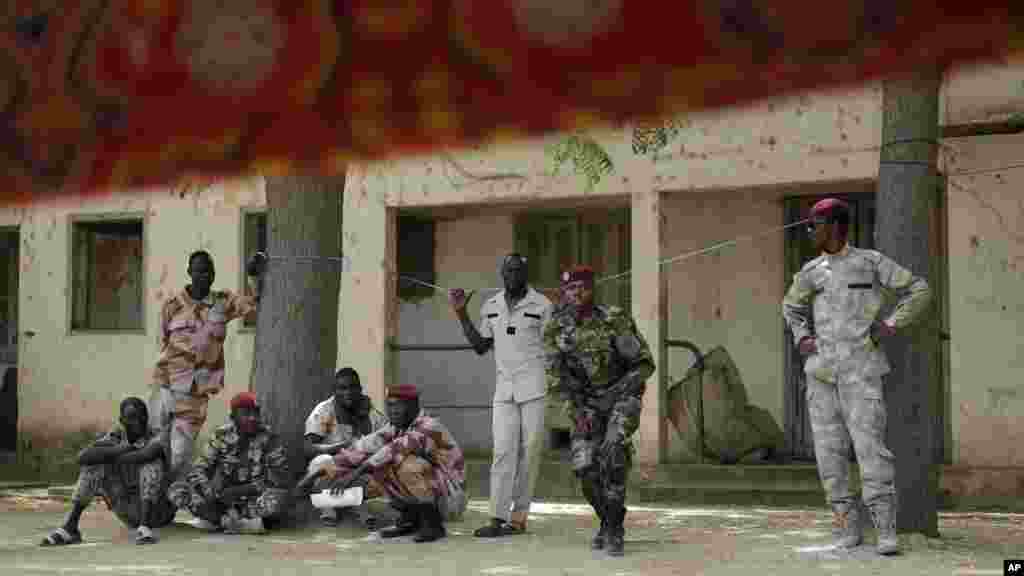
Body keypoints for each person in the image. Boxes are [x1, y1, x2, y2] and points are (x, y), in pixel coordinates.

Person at [782, 197, 932, 555]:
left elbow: (919, 290)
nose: (809, 231)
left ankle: (885, 532)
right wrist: (802, 336)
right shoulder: (811, 271)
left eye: (814, 225)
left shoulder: (870, 263)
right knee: (828, 457)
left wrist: (892, 324)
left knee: (871, 452)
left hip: (861, 372)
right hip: (821, 375)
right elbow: (790, 306)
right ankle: (846, 529)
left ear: (834, 226)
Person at [542, 265, 655, 557]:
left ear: (593, 288)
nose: (576, 293)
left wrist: (615, 395)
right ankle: (609, 519)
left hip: (621, 398)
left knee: (613, 453)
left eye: (582, 286)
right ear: (564, 292)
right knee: (584, 468)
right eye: (570, 288)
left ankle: (614, 530)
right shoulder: (556, 326)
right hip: (585, 404)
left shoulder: (613, 318)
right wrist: (576, 410)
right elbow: (555, 376)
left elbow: (644, 365)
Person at [448, 253, 553, 537]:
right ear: (502, 274)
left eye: (518, 271)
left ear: (526, 274)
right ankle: (497, 517)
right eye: (508, 271)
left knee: (529, 454)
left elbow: (553, 348)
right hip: (504, 390)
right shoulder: (491, 306)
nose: (513, 276)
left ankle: (518, 518)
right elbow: (481, 346)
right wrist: (460, 313)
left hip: (535, 388)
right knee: (503, 452)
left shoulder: (542, 305)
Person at [149, 249, 267, 483]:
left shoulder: (223, 302)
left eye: (208, 271)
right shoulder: (172, 306)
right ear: (189, 272)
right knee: (154, 445)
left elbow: (253, 303)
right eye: (198, 270)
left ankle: (168, 496)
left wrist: (253, 275)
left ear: (213, 275)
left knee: (180, 453)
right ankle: (150, 501)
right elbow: (163, 343)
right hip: (166, 385)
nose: (203, 275)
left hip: (196, 392)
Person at [295, 384, 466, 544]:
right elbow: (361, 449)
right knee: (380, 467)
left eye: (398, 406)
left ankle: (433, 525)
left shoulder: (429, 426)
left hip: (450, 497)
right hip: (433, 491)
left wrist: (351, 476)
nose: (392, 411)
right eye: (389, 406)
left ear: (413, 405)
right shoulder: (395, 427)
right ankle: (410, 520)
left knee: (403, 464)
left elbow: (392, 450)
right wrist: (314, 475)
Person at [40, 398, 175, 546]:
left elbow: (146, 455)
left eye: (141, 417)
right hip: (126, 509)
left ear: (146, 417)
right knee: (94, 464)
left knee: (150, 463)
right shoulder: (116, 435)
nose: (137, 422)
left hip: (158, 511)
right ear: (121, 420)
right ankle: (70, 527)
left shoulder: (156, 435)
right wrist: (121, 449)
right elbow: (83, 457)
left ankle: (145, 527)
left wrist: (109, 455)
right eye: (131, 418)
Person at [168, 391, 290, 534]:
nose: (252, 418)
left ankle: (224, 522)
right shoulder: (221, 435)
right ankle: (227, 522)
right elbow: (198, 470)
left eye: (255, 413)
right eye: (245, 413)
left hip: (254, 502)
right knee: (177, 491)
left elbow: (280, 479)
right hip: (222, 501)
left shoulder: (269, 438)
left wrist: (242, 490)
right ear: (233, 417)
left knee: (279, 499)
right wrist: (211, 493)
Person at [303, 367, 388, 527]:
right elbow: (308, 449)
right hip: (329, 471)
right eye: (342, 388)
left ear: (360, 389)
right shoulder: (324, 411)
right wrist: (341, 447)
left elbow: (386, 446)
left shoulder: (373, 416)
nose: (348, 392)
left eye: (353, 387)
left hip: (359, 472)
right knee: (322, 461)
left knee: (383, 473)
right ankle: (354, 504)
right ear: (334, 390)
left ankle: (331, 501)